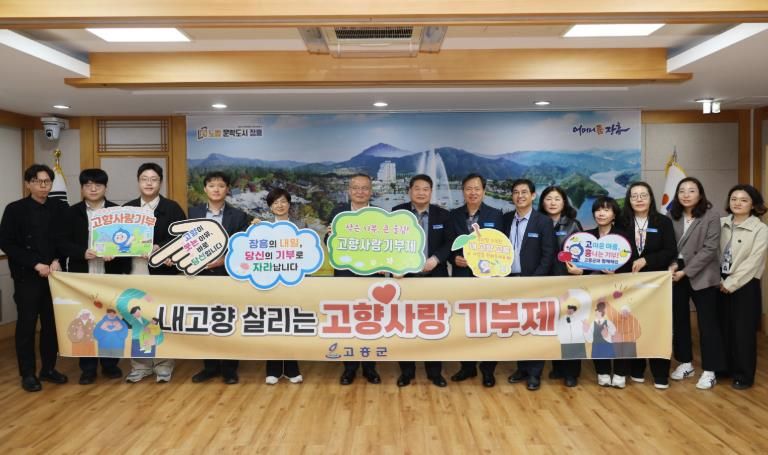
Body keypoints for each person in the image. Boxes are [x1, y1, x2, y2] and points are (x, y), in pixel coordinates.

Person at [0, 164, 69, 392]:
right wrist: (35, 264)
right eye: (38, 181)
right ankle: (27, 373)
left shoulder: (59, 208)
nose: (43, 186)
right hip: (27, 277)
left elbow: (64, 239)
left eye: (47, 181)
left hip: (54, 276)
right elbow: (7, 243)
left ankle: (48, 369)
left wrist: (58, 259)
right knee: (27, 326)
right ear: (28, 183)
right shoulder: (14, 209)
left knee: (51, 326)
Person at [60, 168, 128, 384]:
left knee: (112, 320)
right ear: (81, 188)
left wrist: (116, 253)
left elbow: (127, 242)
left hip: (110, 275)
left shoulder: (118, 212)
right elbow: (61, 242)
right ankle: (87, 368)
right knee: (85, 320)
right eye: (88, 185)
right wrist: (82, 252)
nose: (93, 188)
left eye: (98, 184)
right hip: (83, 276)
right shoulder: (71, 213)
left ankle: (110, 365)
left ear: (105, 187)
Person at [123, 163, 186, 383]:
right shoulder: (128, 208)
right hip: (134, 270)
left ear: (161, 182)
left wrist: (161, 248)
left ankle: (163, 365)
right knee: (136, 317)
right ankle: (140, 365)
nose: (149, 183)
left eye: (154, 179)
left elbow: (182, 238)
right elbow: (118, 238)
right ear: (138, 181)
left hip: (162, 272)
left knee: (160, 317)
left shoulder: (172, 208)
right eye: (144, 179)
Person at [567, 196, 637, 389]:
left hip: (620, 292)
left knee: (621, 331)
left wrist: (618, 271)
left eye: (606, 210)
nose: (601, 213)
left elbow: (632, 263)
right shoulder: (587, 237)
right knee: (599, 329)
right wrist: (578, 271)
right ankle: (603, 370)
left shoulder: (624, 237)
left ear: (614, 214)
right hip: (594, 292)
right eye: (598, 210)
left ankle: (621, 372)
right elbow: (584, 266)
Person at [189, 171, 252, 385]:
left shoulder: (239, 216)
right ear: (205, 189)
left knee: (229, 321)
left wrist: (224, 260)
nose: (216, 189)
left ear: (227, 189)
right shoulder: (193, 213)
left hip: (228, 275)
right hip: (201, 276)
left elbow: (243, 247)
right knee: (205, 321)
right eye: (212, 185)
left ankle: (230, 368)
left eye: (221, 185)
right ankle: (210, 367)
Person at [392, 174, 454, 388]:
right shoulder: (397, 212)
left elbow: (450, 242)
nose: (421, 192)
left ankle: (434, 372)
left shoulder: (443, 215)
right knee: (405, 326)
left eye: (425, 189)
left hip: (435, 278)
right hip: (405, 279)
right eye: (417, 188)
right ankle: (406, 372)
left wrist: (436, 258)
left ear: (431, 192)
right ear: (410, 191)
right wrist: (394, 267)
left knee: (433, 326)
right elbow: (388, 243)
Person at [668, 177, 726, 390]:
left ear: (700, 194)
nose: (686, 194)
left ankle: (710, 370)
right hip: (676, 271)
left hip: (703, 273)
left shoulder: (711, 215)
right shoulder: (671, 215)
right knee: (679, 320)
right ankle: (685, 362)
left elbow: (710, 249)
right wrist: (673, 265)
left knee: (708, 323)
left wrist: (686, 271)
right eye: (682, 190)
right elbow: (669, 246)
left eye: (691, 190)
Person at [448, 173, 504, 387]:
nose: (473, 192)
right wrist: (454, 258)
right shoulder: (453, 215)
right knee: (464, 324)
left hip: (488, 280)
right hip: (462, 278)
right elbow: (447, 245)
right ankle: (467, 367)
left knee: (488, 325)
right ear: (463, 191)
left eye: (477, 188)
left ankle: (488, 370)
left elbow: (503, 247)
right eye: (468, 188)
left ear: (484, 191)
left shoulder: (495, 215)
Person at [621, 181, 677, 389]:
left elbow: (670, 250)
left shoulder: (663, 222)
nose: (639, 199)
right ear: (629, 200)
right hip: (629, 284)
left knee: (656, 328)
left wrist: (647, 260)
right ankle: (636, 369)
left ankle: (660, 374)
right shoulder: (622, 222)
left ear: (651, 198)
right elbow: (616, 251)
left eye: (643, 195)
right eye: (634, 196)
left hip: (655, 286)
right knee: (632, 326)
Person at [328, 173, 381, 385]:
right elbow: (329, 242)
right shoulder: (338, 212)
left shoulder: (379, 215)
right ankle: (349, 368)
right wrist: (330, 235)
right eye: (356, 188)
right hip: (345, 274)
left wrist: (383, 264)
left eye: (364, 188)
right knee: (348, 322)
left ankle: (370, 368)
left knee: (370, 322)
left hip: (371, 275)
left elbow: (386, 245)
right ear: (349, 190)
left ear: (370, 191)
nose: (360, 192)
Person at [504, 179, 556, 391]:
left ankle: (534, 373)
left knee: (534, 328)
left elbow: (548, 255)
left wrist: (534, 281)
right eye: (516, 192)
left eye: (524, 192)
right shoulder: (506, 219)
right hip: (509, 281)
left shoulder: (543, 222)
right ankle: (522, 369)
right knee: (518, 328)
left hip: (534, 283)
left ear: (533, 195)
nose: (520, 196)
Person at [718, 184, 768, 389]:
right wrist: (718, 280)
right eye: (734, 199)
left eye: (744, 200)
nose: (737, 203)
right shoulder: (720, 223)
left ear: (753, 205)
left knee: (743, 331)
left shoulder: (760, 229)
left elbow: (754, 261)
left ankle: (744, 375)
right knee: (723, 328)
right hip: (719, 281)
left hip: (745, 284)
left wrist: (731, 283)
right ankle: (724, 368)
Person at [539, 185, 583, 387]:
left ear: (564, 202)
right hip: (545, 283)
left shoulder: (573, 224)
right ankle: (557, 367)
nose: (553, 202)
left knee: (571, 327)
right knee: (553, 326)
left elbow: (584, 253)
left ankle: (571, 372)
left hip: (568, 283)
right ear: (542, 202)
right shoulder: (538, 222)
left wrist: (579, 269)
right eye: (548, 198)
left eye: (557, 199)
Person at [261, 188, 304, 385]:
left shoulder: (301, 225)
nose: (280, 205)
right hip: (270, 282)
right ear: (270, 207)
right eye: (275, 202)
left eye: (283, 201)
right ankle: (273, 369)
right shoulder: (262, 227)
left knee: (292, 324)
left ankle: (292, 368)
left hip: (294, 281)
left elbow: (307, 254)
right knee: (272, 323)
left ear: (289, 204)